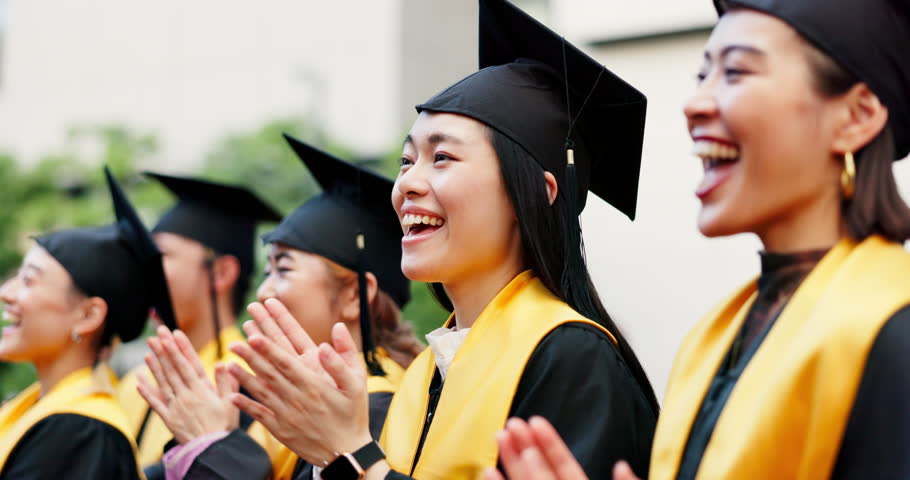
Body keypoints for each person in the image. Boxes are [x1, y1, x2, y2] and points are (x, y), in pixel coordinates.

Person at [224, 0, 659, 478]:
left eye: (443, 158)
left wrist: (353, 456)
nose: (407, 183)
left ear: (536, 192)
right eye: (406, 161)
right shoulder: (425, 375)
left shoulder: (572, 359)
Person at [493, 0, 910, 478]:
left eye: (735, 72)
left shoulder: (891, 331)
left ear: (856, 116)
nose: (694, 105)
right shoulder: (718, 335)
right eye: (702, 76)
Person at [137, 134, 423, 480]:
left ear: (353, 295)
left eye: (283, 269)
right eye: (267, 271)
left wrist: (214, 450)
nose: (263, 291)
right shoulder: (290, 405)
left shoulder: (376, 408)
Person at [0, 167, 175, 479]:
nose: (6, 293)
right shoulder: (38, 411)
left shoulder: (80, 432)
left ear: (88, 316)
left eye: (28, 280)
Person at [116, 172, 282, 473]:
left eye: (161, 256)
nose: (145, 272)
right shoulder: (135, 383)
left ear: (220, 273)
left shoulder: (251, 384)